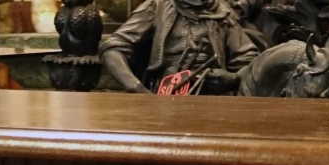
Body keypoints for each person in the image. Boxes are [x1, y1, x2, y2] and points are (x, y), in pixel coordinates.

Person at [99, 0, 262, 96]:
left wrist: (233, 78)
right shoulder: (157, 6)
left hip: (211, 100)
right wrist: (135, 86)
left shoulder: (223, 13)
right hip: (166, 94)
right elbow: (113, 47)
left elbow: (252, 62)